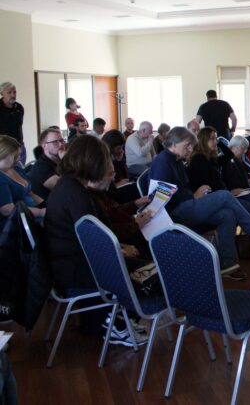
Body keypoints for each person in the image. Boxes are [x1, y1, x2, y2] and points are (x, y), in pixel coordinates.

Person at [44, 135, 149, 343]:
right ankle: (118, 322)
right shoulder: (75, 193)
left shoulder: (69, 187)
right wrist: (119, 249)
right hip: (76, 268)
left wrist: (120, 246)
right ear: (91, 162)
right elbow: (94, 240)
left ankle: (119, 317)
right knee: (146, 271)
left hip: (68, 264)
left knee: (142, 262)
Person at [149, 127, 250, 279]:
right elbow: (160, 198)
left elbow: (182, 188)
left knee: (227, 214)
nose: (191, 148)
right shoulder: (163, 161)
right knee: (224, 196)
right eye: (187, 145)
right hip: (175, 212)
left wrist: (193, 195)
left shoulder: (177, 160)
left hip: (186, 206)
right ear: (174, 143)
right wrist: (193, 195)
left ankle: (228, 263)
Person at [187, 127, 250, 259]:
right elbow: (205, 186)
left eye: (215, 138)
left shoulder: (210, 158)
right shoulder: (199, 159)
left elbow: (229, 155)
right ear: (203, 140)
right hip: (216, 198)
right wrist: (227, 193)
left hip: (224, 194)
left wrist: (219, 141)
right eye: (211, 139)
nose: (214, 142)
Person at [0, 136, 45, 219]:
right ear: (3, 154)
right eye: (15, 156)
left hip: (33, 212)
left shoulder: (16, 168)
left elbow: (31, 193)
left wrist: (45, 205)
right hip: (18, 222)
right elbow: (8, 210)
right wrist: (41, 212)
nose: (19, 159)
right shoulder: (1, 178)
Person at [28, 128, 65, 201]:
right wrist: (67, 160)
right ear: (44, 146)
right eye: (55, 142)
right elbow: (65, 188)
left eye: (62, 141)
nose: (61, 144)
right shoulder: (40, 167)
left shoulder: (59, 161)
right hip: (51, 207)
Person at [0, 82, 26, 165]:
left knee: (21, 170)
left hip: (19, 145)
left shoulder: (19, 107)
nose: (13, 95)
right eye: (9, 92)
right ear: (2, 93)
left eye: (14, 92)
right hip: (4, 147)